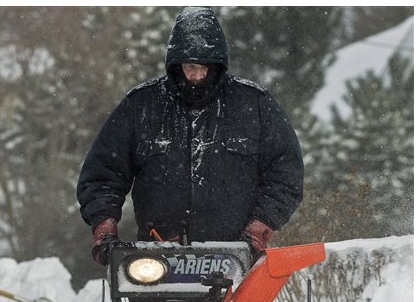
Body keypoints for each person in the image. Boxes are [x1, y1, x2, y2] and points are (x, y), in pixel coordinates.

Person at [76, 7, 303, 266]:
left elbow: (286, 174)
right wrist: (105, 229)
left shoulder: (254, 105)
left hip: (236, 257)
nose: (196, 76)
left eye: (203, 68)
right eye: (189, 67)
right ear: (176, 65)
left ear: (218, 66)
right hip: (157, 257)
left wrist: (259, 228)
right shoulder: (142, 106)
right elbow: (102, 175)